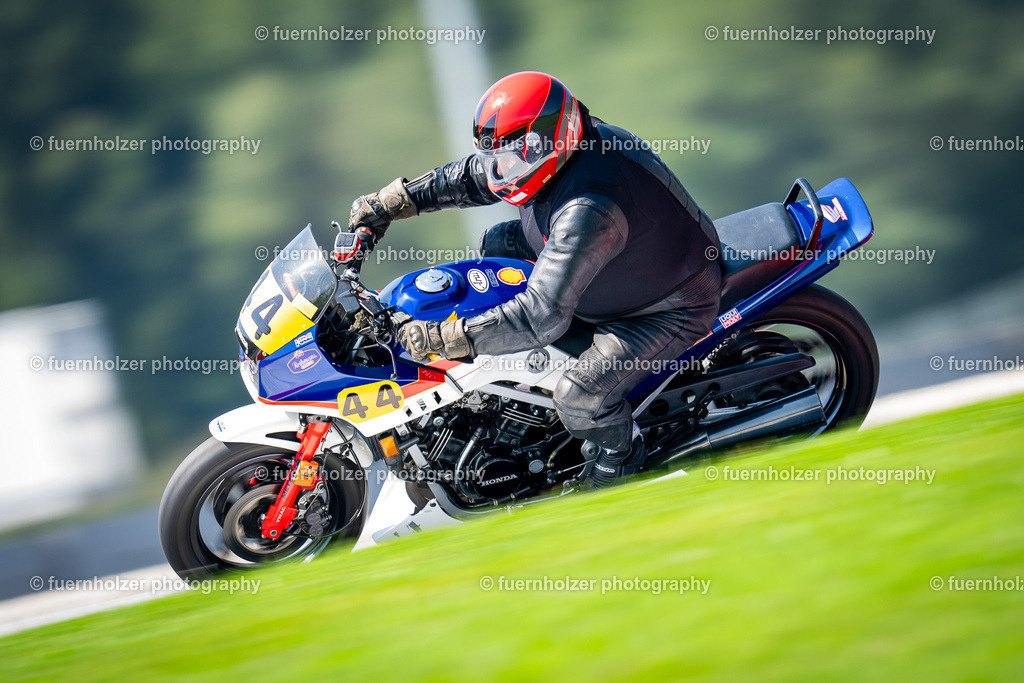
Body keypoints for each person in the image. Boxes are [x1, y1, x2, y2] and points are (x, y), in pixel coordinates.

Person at [348, 71, 722, 486]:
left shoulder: (588, 209)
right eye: (496, 155)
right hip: (613, 266)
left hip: (665, 308)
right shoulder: (552, 153)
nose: (500, 169)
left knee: (578, 396)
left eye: (512, 155)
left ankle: (622, 457)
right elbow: (471, 176)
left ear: (551, 138)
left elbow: (540, 317)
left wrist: (443, 339)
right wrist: (391, 202)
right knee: (496, 245)